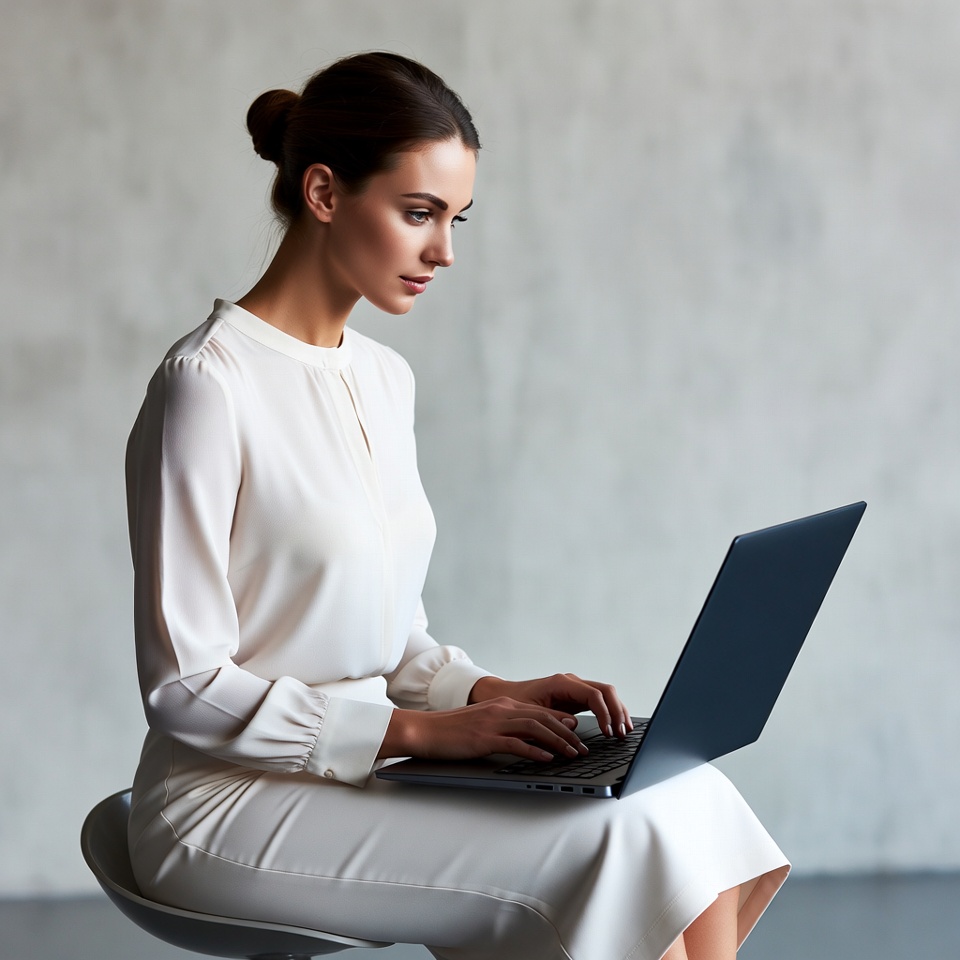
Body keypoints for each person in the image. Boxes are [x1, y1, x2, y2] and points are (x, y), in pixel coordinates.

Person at [124, 52, 789, 960]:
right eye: (419, 213)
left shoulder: (383, 378)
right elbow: (183, 686)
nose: (444, 251)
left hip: (366, 767)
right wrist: (420, 731)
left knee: (683, 800)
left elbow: (384, 634)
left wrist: (484, 694)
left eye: (455, 218)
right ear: (324, 192)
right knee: (608, 849)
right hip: (224, 804)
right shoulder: (208, 385)